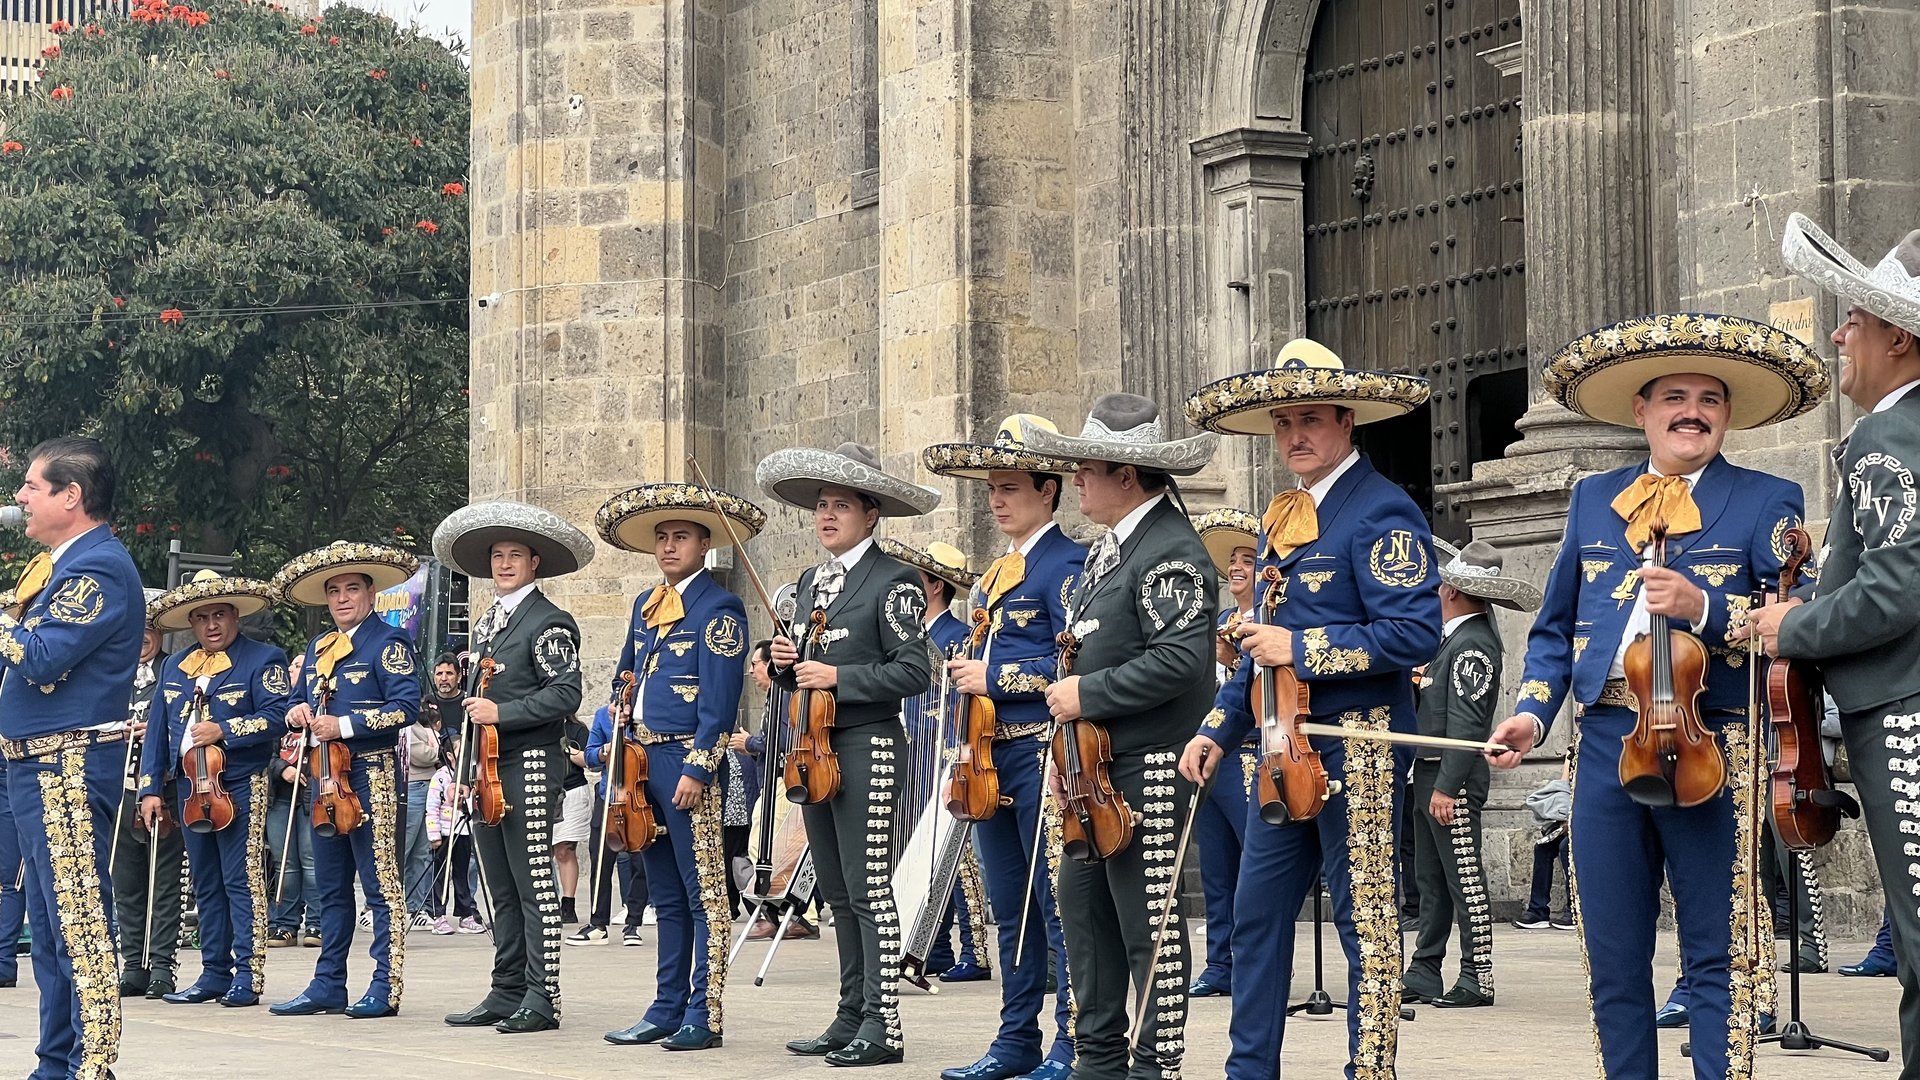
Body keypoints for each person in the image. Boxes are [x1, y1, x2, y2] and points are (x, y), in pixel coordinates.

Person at [1488, 311, 1825, 1078]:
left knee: (1719, 952)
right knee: (1611, 957)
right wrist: (1532, 713)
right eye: (1674, 396)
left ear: (1726, 416)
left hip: (1715, 742)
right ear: (1641, 412)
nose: (1692, 411)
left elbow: (1796, 620)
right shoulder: (1593, 498)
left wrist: (1703, 609)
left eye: (1709, 399)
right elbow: (1554, 628)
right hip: (1604, 741)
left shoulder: (1767, 497)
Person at [1180, 342, 1438, 1080]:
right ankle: (1248, 1070)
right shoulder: (1280, 520)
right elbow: (1260, 647)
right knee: (1258, 918)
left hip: (1356, 742)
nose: (1296, 433)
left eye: (1312, 418)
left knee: (1367, 920)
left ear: (1346, 422)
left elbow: (1412, 633)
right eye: (1284, 421)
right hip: (1276, 747)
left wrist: (1305, 644)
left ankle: (1372, 1068)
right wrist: (1216, 728)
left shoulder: (1383, 510)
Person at [1746, 214, 1920, 1075]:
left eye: (1856, 319)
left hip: (1902, 712)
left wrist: (1794, 624)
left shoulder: (1893, 435)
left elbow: (1897, 590)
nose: (1840, 332)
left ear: (1898, 335)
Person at [1018, 396, 1218, 1080]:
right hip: (1092, 772)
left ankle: (1154, 1065)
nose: (1075, 479)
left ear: (1126, 474)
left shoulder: (1170, 551)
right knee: (1087, 920)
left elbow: (1181, 660)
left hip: (1147, 766)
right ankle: (1097, 1063)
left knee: (1146, 929)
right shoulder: (1115, 549)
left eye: (1087, 467)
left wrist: (1087, 694)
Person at [758, 443, 940, 1066]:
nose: (826, 516)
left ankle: (884, 1023)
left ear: (871, 514)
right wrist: (783, 666)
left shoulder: (892, 582)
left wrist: (836, 676)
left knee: (868, 887)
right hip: (813, 748)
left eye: (841, 506)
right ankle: (849, 1012)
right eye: (821, 506)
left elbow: (916, 671)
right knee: (834, 889)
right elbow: (805, 673)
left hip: (868, 743)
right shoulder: (811, 584)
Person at [922, 415, 1090, 1080]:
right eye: (993, 487)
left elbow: (1070, 664)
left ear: (1049, 491)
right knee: (1007, 904)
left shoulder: (1067, 566)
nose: (997, 499)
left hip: (1042, 750)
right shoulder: (992, 577)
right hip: (988, 757)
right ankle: (1014, 1038)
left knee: (1054, 903)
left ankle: (1072, 1040)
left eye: (1012, 486)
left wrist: (994, 676)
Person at [592, 481, 762, 1052]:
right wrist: (620, 702)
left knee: (702, 891)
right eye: (662, 538)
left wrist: (699, 767)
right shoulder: (645, 603)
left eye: (680, 536)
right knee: (662, 890)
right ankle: (665, 1005)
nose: (668, 546)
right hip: (642, 758)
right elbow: (625, 671)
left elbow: (719, 701)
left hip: (686, 761)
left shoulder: (720, 607)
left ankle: (703, 1011)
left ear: (704, 543)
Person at [0, 437, 147, 1080]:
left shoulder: (99, 567)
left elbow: (42, 657)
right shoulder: (63, 566)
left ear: (72, 496)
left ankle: (92, 1065)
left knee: (78, 925)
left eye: (32, 486)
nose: (20, 498)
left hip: (68, 764)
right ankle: (55, 1063)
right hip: (36, 764)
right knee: (54, 929)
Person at [431, 500, 592, 1034]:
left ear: (534, 563)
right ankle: (506, 989)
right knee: (498, 884)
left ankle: (543, 996)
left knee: (532, 883)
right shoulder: (487, 624)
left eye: (514, 556)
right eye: (497, 556)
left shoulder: (548, 621)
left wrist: (504, 712)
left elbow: (567, 693)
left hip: (529, 761)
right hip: (486, 767)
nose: (503, 564)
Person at [267, 540, 422, 1020]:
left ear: (371, 593)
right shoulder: (317, 647)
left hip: (368, 771)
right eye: (333, 591)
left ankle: (385, 984)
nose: (341, 599)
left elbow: (406, 708)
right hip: (322, 776)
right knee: (330, 887)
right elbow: (298, 702)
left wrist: (346, 725)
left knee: (380, 886)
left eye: (351, 589)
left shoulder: (389, 643)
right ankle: (328, 982)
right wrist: (296, 711)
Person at [135, 570, 290, 1007]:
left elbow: (277, 715)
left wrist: (224, 729)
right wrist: (150, 788)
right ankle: (213, 973)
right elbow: (158, 732)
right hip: (188, 788)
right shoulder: (174, 668)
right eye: (201, 618)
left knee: (241, 879)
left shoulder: (264, 657)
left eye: (219, 615)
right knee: (204, 882)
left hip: (241, 781)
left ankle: (248, 974)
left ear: (235, 616)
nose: (211, 625)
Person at [1402, 540, 1538, 1009]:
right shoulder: (1456, 638)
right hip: (1429, 772)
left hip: (1448, 778)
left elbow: (1466, 724)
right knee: (1430, 877)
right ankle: (1425, 969)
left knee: (1462, 878)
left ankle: (1478, 974)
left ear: (1453, 591)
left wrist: (1447, 786)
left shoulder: (1473, 643)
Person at [878, 537, 992, 987]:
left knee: (959, 860)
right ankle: (934, 946)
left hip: (946, 752)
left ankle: (976, 949)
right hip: (916, 754)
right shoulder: (913, 638)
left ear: (933, 586)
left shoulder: (957, 638)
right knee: (920, 853)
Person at [1188, 508, 1259, 1001]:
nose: (1236, 568)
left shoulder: (1271, 622)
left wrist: (1234, 660)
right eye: (1231, 560)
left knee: (1254, 866)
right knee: (1216, 865)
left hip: (1252, 754)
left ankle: (1254, 959)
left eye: (1248, 560)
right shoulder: (1219, 621)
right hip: (1211, 756)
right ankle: (1219, 962)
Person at [113, 594, 186, 998]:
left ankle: (161, 966)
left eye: (149, 628)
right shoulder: (113, 675)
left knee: (164, 882)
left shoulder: (174, 672)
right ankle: (132, 966)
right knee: (126, 883)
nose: (142, 637)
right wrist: (116, 729)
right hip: (120, 789)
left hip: (164, 788)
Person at [735, 641, 819, 941]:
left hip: (784, 778)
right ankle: (779, 912)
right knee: (765, 847)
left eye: (756, 663)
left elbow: (785, 739)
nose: (752, 670)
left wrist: (750, 744)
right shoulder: (776, 695)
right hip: (773, 780)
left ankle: (798, 914)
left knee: (776, 848)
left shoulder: (785, 695)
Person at [572, 703, 648, 946]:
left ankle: (633, 923)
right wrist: (606, 749)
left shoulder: (647, 715)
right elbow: (591, 757)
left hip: (639, 796)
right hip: (609, 795)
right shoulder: (602, 715)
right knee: (600, 859)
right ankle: (597, 923)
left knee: (640, 861)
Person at [404, 656, 458, 920]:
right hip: (414, 787)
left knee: (424, 851)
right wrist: (441, 748)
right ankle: (398, 903)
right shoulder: (408, 726)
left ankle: (420, 905)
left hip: (430, 787)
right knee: (405, 847)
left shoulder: (422, 723)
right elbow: (420, 755)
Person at [1511, 749, 1574, 932]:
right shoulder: (1573, 751)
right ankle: (1538, 910)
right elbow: (1564, 787)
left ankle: (1576, 910)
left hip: (1592, 818)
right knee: (1543, 847)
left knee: (1566, 847)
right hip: (1569, 816)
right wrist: (1563, 819)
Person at [424, 738, 480, 934]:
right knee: (440, 875)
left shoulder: (472, 776)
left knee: (462, 874)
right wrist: (434, 835)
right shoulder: (440, 777)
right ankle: (438, 915)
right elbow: (431, 808)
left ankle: (466, 914)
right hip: (445, 832)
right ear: (449, 755)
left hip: (463, 830)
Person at [554, 714, 591, 925]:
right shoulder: (535, 727)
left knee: (564, 850)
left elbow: (588, 761)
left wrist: (567, 748)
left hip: (572, 791)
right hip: (543, 792)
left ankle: (568, 905)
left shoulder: (577, 729)